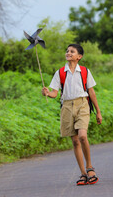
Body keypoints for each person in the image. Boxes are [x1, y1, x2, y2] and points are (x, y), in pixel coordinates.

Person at [42, 44, 102, 186]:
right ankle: (82, 173)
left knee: (82, 136)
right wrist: (47, 93)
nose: (68, 53)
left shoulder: (85, 72)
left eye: (72, 51)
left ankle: (89, 167)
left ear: (79, 57)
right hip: (67, 107)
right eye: (67, 51)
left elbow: (91, 92)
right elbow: (55, 93)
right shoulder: (60, 72)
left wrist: (98, 112)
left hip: (82, 104)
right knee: (75, 141)